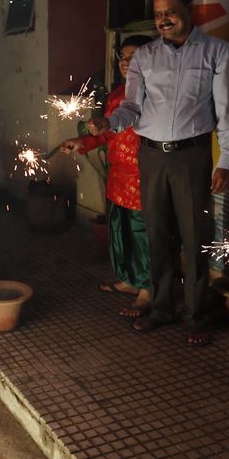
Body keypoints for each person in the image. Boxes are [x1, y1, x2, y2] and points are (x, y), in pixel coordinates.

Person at [89, 0, 229, 344]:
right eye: (157, 15)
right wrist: (108, 123)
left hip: (192, 155)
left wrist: (228, 159)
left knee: (193, 235)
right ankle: (160, 307)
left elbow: (228, 111)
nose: (163, 20)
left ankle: (196, 315)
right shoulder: (145, 57)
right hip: (151, 154)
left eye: (170, 12)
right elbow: (132, 106)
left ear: (190, 9)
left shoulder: (216, 52)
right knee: (156, 233)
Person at [60, 37, 152, 316]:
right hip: (118, 175)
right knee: (119, 228)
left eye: (133, 56)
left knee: (142, 232)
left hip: (142, 175)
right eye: (122, 56)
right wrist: (82, 141)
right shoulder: (117, 94)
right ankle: (129, 280)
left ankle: (148, 291)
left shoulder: (155, 93)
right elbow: (108, 131)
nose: (125, 62)